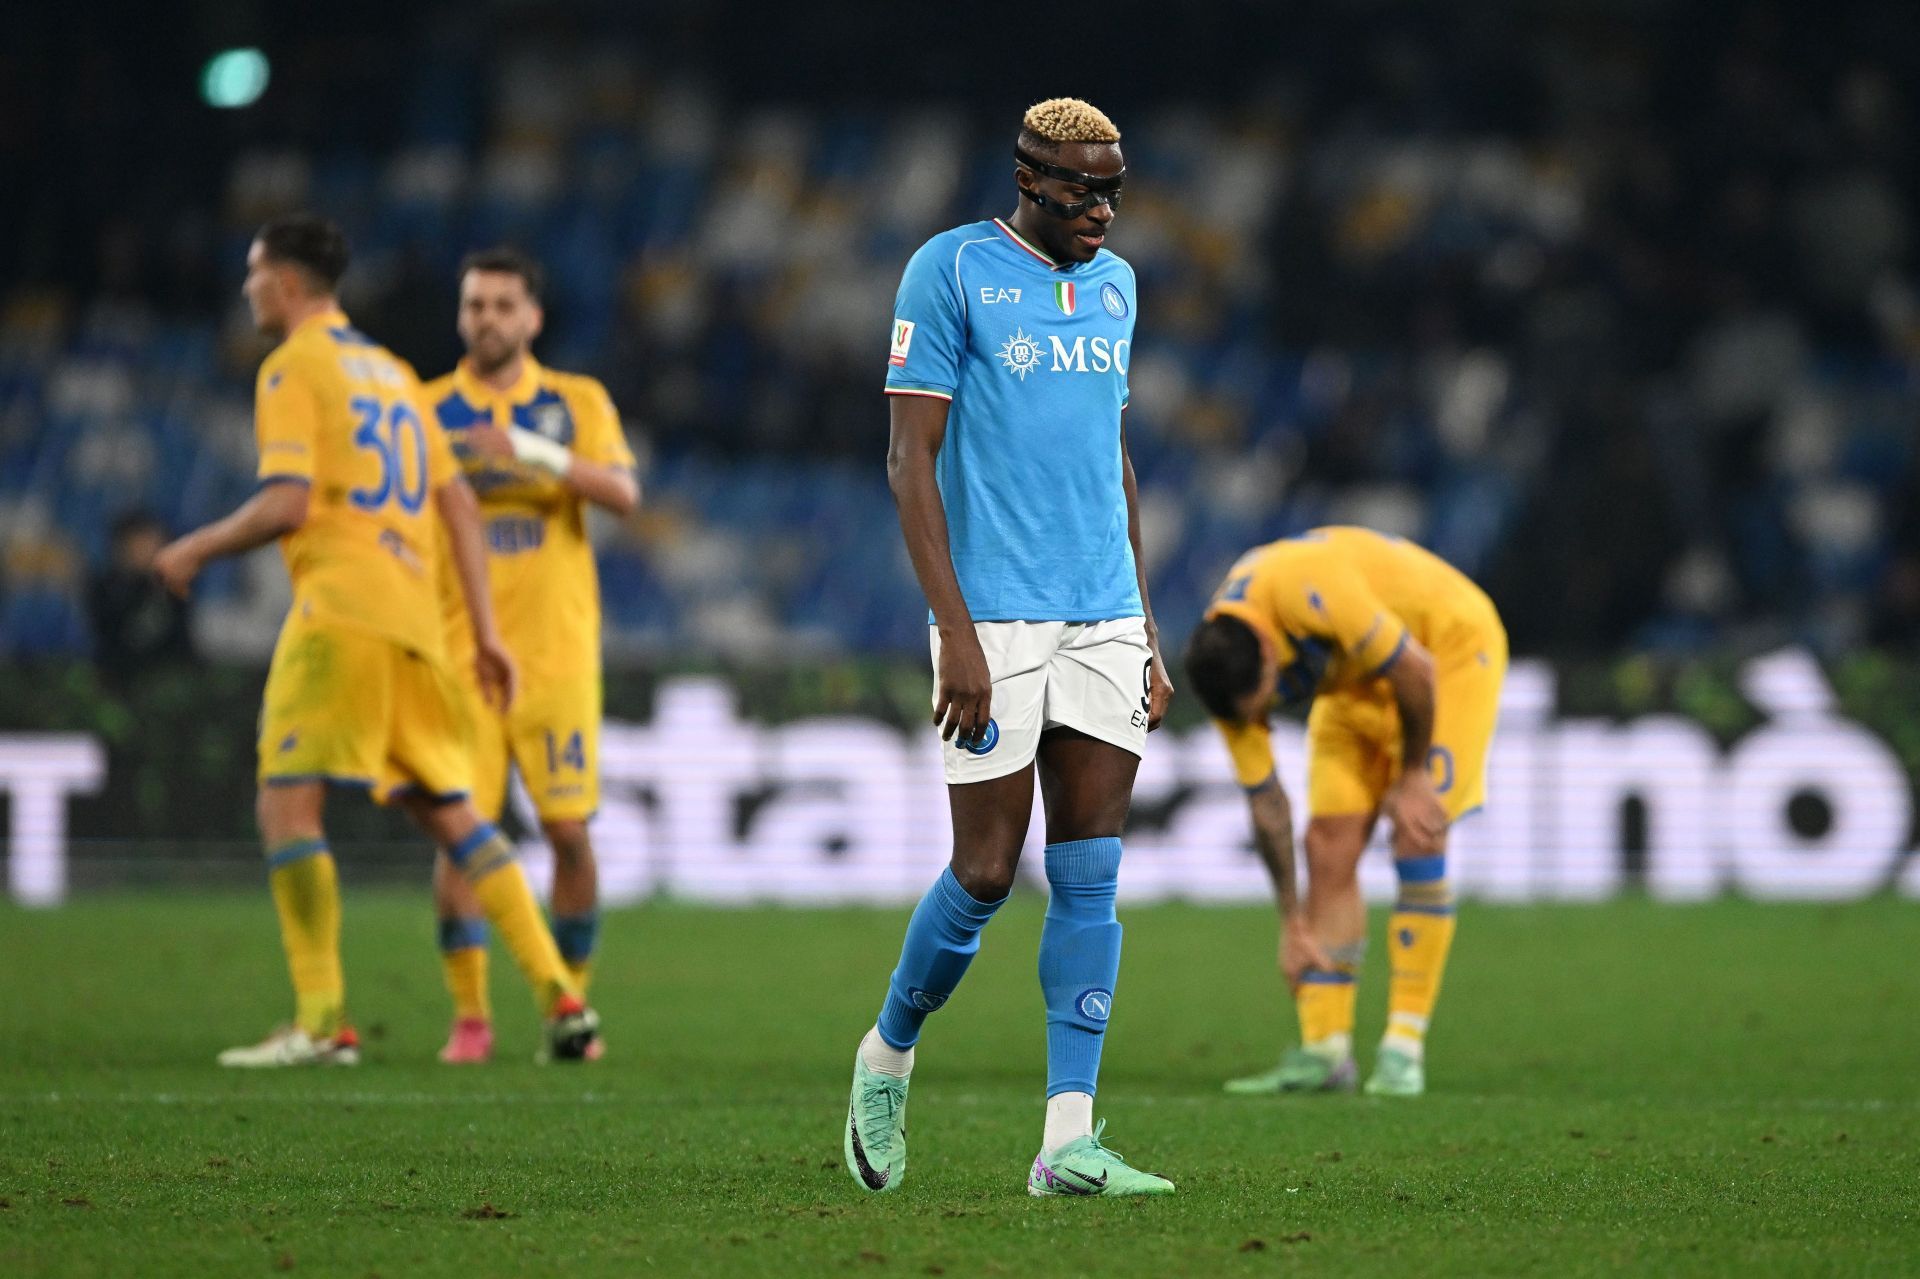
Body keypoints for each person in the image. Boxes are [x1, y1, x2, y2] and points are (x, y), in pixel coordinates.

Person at [153, 214, 599, 1067]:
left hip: (341, 609)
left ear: (285, 284)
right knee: (453, 811)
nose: (248, 289)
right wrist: (487, 632)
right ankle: (562, 994)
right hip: (418, 624)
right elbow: (459, 506)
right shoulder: (394, 375)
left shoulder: (293, 367)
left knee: (288, 799)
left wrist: (197, 547)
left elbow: (289, 501)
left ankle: (321, 1020)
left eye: (255, 275)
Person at [844, 98, 1174, 1197]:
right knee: (986, 870)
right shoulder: (947, 273)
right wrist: (955, 630)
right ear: (1032, 181)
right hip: (996, 615)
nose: (1106, 209)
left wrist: (1145, 621)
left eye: (1116, 188)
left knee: (1091, 870)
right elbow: (908, 461)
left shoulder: (1119, 288)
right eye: (1087, 188)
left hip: (1104, 611)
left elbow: (1111, 451)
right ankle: (887, 1054)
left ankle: (1066, 1140)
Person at [410, 247, 638, 1064]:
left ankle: (567, 1003)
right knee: (461, 837)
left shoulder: (574, 402)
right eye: (475, 305)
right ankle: (470, 1016)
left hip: (557, 657)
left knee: (566, 830)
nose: (488, 320)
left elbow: (623, 493)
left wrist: (530, 451)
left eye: (504, 305)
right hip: (456, 655)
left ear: (533, 317)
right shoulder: (425, 409)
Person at [1181, 526, 1507, 1098]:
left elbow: (1416, 671)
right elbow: (1268, 804)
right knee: (1327, 843)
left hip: (1449, 650)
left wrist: (1411, 776)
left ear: (1267, 650)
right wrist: (1290, 922)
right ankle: (1325, 1051)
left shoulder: (1309, 587)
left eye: (1270, 701)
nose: (1265, 720)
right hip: (1358, 684)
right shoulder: (1224, 672)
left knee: (1417, 831)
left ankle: (1403, 1047)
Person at [88, 510, 197, 682]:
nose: (149, 551)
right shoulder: (105, 589)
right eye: (140, 544)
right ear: (122, 547)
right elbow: (116, 640)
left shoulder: (175, 587)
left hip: (168, 681)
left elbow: (182, 644)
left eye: (153, 543)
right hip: (119, 681)